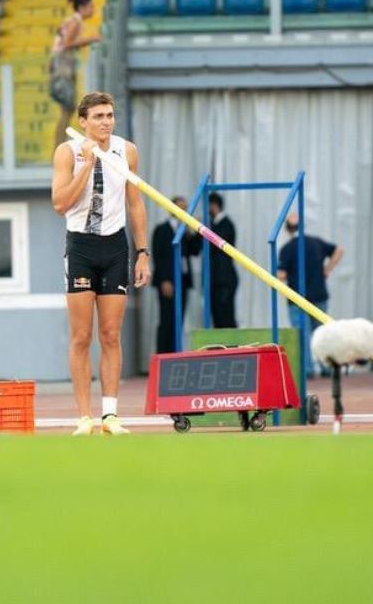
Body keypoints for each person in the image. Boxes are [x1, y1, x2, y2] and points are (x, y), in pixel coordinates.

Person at [51, 92, 150, 435]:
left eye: (109, 115)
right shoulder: (67, 152)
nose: (106, 122)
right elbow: (60, 203)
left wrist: (142, 252)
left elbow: (135, 204)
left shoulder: (127, 151)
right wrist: (89, 164)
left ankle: (110, 414)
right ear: (83, 121)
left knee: (110, 334)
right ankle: (84, 417)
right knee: (81, 336)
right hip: (80, 247)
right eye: (98, 117)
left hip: (114, 246)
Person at [277, 212, 344, 377]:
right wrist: (327, 270)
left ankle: (307, 370)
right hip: (319, 294)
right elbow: (338, 250)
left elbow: (281, 274)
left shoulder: (287, 249)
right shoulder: (316, 243)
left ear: (287, 229)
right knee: (322, 334)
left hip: (298, 298)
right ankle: (327, 367)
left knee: (302, 336)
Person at [49, 0, 101, 148]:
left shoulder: (72, 21)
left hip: (62, 63)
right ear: (82, 8)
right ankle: (58, 147)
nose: (93, 10)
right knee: (67, 108)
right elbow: (67, 43)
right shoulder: (75, 22)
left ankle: (59, 145)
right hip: (63, 64)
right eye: (90, 6)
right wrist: (91, 39)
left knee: (68, 108)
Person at [151, 196, 200, 355]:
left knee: (179, 320)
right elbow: (158, 256)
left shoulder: (184, 231)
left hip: (182, 281)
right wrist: (164, 280)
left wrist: (197, 230)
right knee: (166, 320)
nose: (184, 211)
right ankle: (162, 356)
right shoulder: (162, 230)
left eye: (186, 208)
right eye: (181, 208)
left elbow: (195, 250)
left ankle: (175, 354)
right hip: (168, 282)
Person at [206, 192, 238, 327]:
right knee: (217, 317)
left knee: (226, 316)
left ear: (214, 205)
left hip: (225, 280)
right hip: (215, 279)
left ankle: (232, 347)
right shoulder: (212, 225)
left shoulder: (225, 224)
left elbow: (216, 243)